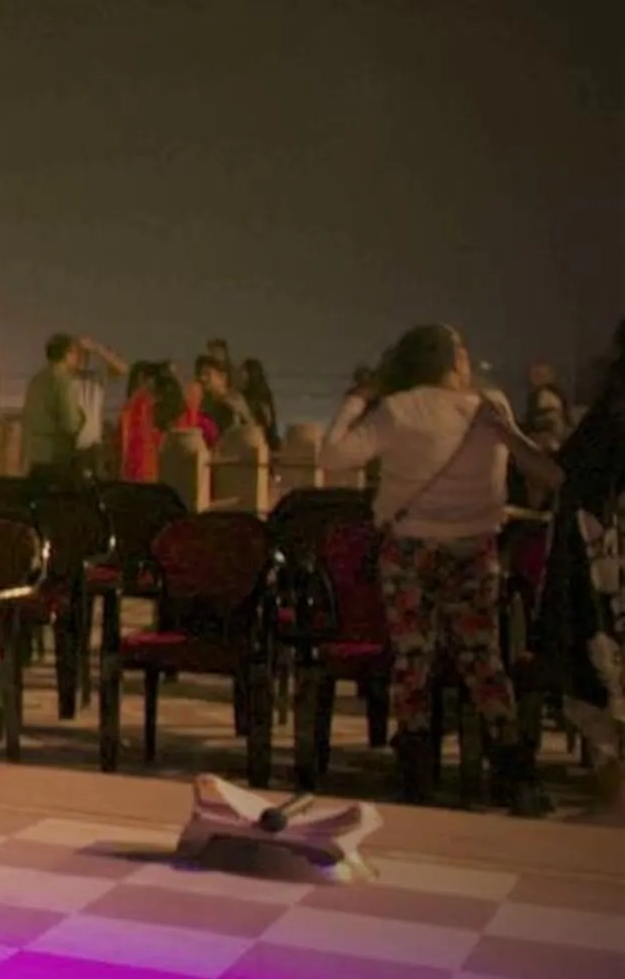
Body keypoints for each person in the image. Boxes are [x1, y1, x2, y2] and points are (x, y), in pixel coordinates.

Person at [319, 323, 564, 812]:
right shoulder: (489, 408)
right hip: (474, 550)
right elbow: (549, 475)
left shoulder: (397, 409)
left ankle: (416, 768)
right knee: (483, 659)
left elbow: (332, 454)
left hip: (410, 549)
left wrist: (358, 399)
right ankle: (513, 768)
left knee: (413, 659)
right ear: (452, 362)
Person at [536, 321, 624, 804]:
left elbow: (565, 473)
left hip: (605, 567)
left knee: (607, 672)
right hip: (607, 559)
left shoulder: (609, 414)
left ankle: (613, 771)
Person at [21, 332, 120, 477]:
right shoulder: (63, 380)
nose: (79, 357)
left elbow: (121, 368)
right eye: (76, 352)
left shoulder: (39, 380)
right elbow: (71, 423)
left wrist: (97, 349)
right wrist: (80, 418)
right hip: (62, 454)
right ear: (66, 354)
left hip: (42, 454)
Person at [236, 357, 283, 454]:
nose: (239, 376)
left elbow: (267, 426)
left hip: (262, 442)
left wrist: (245, 413)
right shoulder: (242, 395)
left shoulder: (262, 398)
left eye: (242, 373)